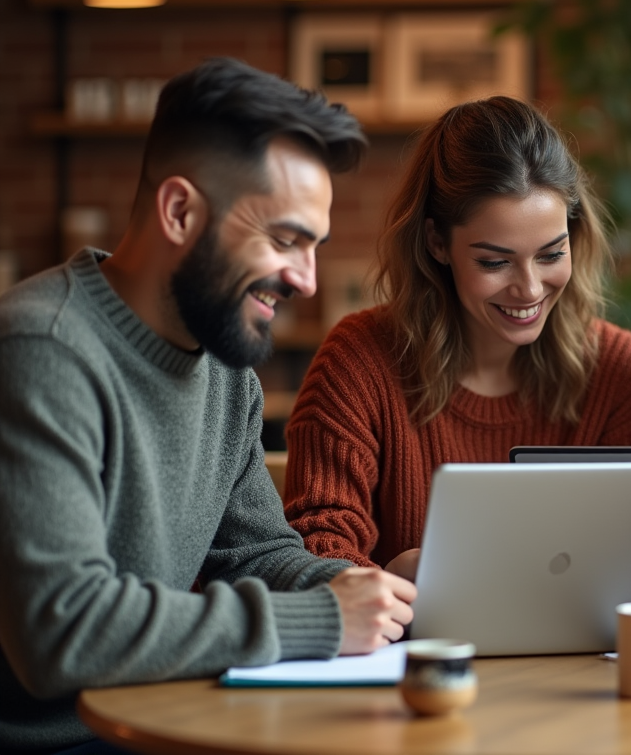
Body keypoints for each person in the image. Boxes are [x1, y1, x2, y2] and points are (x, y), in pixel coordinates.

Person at [0, 58, 419, 755]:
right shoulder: (43, 350)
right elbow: (61, 631)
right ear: (179, 211)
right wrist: (318, 620)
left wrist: (363, 588)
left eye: (312, 247)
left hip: (165, 724)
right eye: (285, 240)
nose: (306, 281)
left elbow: (255, 552)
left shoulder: (226, 367)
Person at [284, 96, 631, 574]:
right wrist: (400, 576)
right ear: (437, 243)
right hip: (413, 644)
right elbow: (315, 547)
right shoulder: (358, 361)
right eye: (495, 261)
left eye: (550, 254)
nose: (528, 288)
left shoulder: (614, 368)